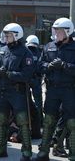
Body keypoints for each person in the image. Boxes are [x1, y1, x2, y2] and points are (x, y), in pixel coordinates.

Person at [0, 23, 34, 161]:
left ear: (16, 35)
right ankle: (1, 149)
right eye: (5, 35)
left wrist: (9, 74)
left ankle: (26, 152)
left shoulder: (25, 52)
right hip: (2, 92)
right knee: (1, 121)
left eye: (8, 35)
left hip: (17, 92)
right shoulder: (1, 50)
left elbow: (27, 74)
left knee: (22, 121)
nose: (6, 37)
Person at [32, 17, 75, 161]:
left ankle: (73, 153)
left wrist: (64, 65)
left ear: (68, 32)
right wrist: (48, 66)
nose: (56, 33)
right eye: (55, 30)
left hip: (69, 90)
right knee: (48, 120)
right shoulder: (49, 46)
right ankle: (43, 152)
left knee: (71, 121)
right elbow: (39, 65)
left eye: (59, 31)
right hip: (52, 90)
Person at [26, 35, 43, 138]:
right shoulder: (39, 52)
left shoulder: (25, 51)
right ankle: (38, 123)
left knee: (27, 103)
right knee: (38, 104)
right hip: (36, 80)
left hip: (27, 80)